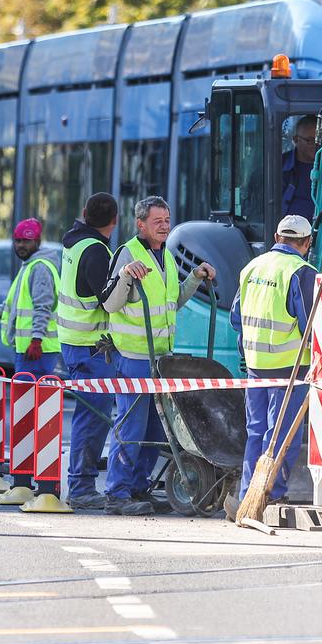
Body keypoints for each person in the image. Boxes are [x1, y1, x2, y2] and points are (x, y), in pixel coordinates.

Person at [100, 196, 216, 516]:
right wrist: (125, 275)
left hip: (160, 357)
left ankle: (138, 488)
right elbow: (109, 304)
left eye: (167, 220)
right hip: (134, 356)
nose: (165, 225)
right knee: (131, 427)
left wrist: (194, 277)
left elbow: (172, 301)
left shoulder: (164, 256)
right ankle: (116, 493)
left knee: (156, 428)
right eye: (158, 221)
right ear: (141, 224)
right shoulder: (128, 253)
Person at [232, 215, 318, 507]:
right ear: (307, 243)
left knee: (256, 432)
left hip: (256, 366)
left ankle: (247, 495)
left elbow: (236, 318)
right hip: (290, 369)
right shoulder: (302, 272)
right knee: (281, 436)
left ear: (278, 238)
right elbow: (312, 326)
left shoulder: (251, 267)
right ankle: (270, 495)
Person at [55, 193, 120, 510]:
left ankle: (80, 483)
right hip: (90, 346)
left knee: (90, 415)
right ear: (116, 220)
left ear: (84, 213)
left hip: (72, 341)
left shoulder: (73, 242)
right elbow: (108, 300)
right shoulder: (96, 251)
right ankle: (80, 486)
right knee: (93, 417)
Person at [0, 218, 60, 378]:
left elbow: (43, 307)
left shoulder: (39, 268)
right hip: (29, 348)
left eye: (26, 241)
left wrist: (37, 340)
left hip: (38, 350)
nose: (20, 245)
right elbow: (15, 301)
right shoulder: (29, 265)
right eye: (17, 241)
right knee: (30, 400)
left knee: (28, 399)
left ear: (37, 241)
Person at [279, 115, 320, 225]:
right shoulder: (279, 166)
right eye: (310, 140)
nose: (316, 145)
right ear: (296, 140)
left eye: (319, 140)